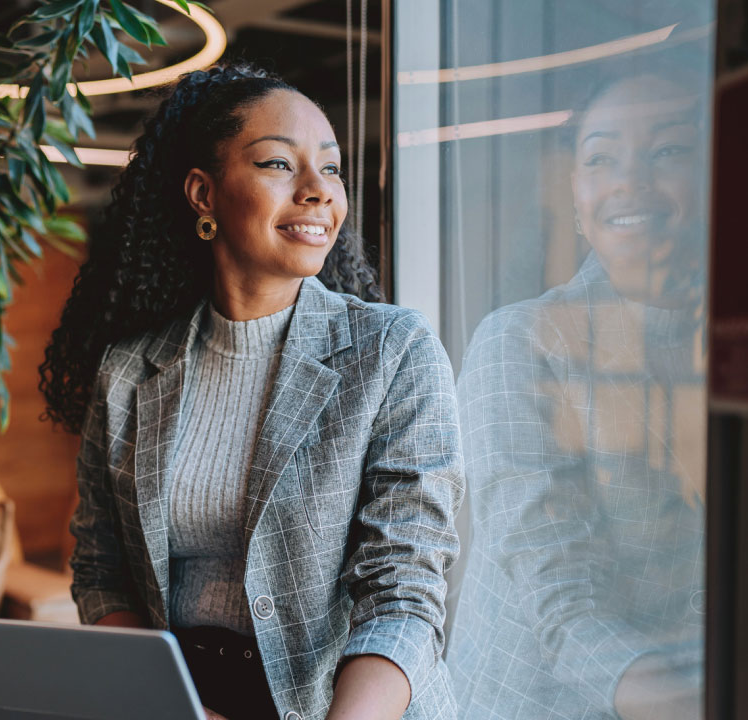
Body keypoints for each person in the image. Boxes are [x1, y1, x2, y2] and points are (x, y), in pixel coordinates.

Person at [39, 63, 464, 720]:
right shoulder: (128, 371)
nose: (319, 191)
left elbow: (404, 593)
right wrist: (166, 704)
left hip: (349, 706)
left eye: (332, 168)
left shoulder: (392, 352)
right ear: (203, 194)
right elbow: (103, 572)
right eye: (277, 164)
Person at [446, 68, 707, 720]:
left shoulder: (719, 343)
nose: (630, 180)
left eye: (670, 150)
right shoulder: (520, 342)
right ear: (577, 200)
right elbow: (559, 593)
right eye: (601, 158)